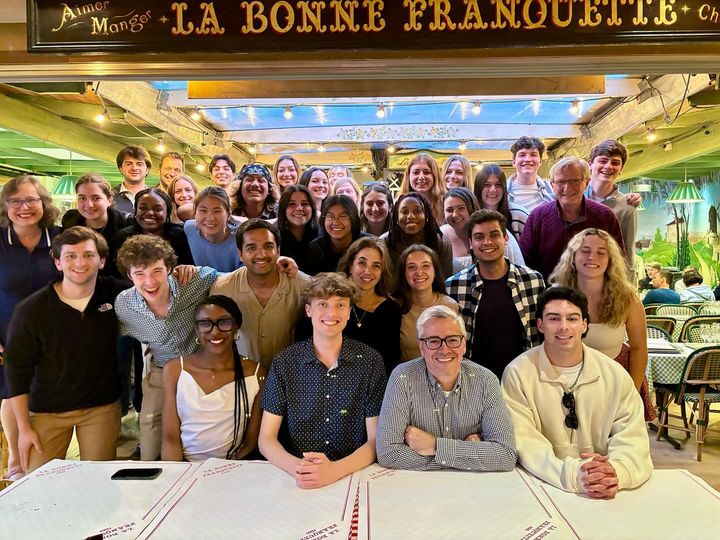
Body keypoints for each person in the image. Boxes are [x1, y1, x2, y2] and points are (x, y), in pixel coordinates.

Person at [502, 287, 653, 497]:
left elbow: (633, 437)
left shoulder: (614, 375)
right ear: (540, 325)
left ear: (584, 324)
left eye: (572, 319)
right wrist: (574, 475)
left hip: (605, 489)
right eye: (554, 318)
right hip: (541, 486)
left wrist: (615, 471)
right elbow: (524, 441)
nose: (563, 326)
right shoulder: (518, 374)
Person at [4, 227, 126, 473]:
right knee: (40, 483)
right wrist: (23, 429)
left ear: (102, 261)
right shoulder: (31, 310)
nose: (80, 263)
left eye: (88, 255)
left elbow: (152, 285)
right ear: (57, 262)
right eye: (70, 256)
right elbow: (16, 370)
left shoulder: (117, 294)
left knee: (98, 480)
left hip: (101, 407)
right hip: (47, 410)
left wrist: (184, 272)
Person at [258, 273, 386, 489]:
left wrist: (334, 471)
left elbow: (375, 441)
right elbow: (266, 439)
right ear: (309, 310)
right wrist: (301, 469)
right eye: (323, 304)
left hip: (352, 473)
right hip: (296, 475)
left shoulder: (370, 361)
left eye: (340, 305)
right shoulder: (285, 362)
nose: (331, 313)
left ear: (349, 312)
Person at [114, 235, 220, 460]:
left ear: (169, 268)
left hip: (201, 365)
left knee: (207, 429)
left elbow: (238, 279)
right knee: (151, 426)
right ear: (129, 276)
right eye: (139, 274)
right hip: (162, 367)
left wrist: (280, 262)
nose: (149, 281)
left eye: (157, 271)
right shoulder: (124, 305)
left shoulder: (192, 281)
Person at [376, 305, 516, 471]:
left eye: (452, 340)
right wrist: (466, 454)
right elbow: (388, 453)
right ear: (421, 347)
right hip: (419, 483)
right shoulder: (402, 378)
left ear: (464, 344)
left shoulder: (486, 381)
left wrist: (435, 446)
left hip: (472, 484)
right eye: (433, 341)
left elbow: (506, 455)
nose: (444, 350)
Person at [550, 228, 655, 420]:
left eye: (601, 252)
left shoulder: (628, 299)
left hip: (614, 383)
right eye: (585, 250)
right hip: (565, 383)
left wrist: (631, 391)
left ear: (610, 260)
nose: (592, 257)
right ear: (572, 257)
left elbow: (639, 348)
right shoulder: (555, 295)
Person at [0, 176, 61, 480]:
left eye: (32, 200)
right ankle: (16, 461)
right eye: (16, 201)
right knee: (12, 392)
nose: (24, 207)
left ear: (44, 203)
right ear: (5, 206)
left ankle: (46, 457)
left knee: (46, 394)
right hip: (7, 335)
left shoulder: (59, 238)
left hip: (53, 335)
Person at [162, 295, 266, 462]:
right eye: (205, 323)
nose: (215, 332)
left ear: (236, 327)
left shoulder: (256, 373)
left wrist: (223, 470)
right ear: (196, 329)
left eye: (224, 322)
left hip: (233, 465)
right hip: (184, 466)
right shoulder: (175, 369)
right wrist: (178, 472)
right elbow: (170, 438)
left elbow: (251, 441)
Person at [446, 210, 545, 379]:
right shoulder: (453, 286)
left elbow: (542, 334)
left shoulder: (533, 280)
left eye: (494, 235)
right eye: (479, 237)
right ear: (470, 243)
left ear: (506, 239)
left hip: (523, 377)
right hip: (473, 380)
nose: (487, 242)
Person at [211, 219, 311, 368]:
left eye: (268, 246)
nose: (261, 254)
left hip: (289, 373)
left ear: (278, 251)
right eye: (251, 248)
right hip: (240, 373)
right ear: (240, 254)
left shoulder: (305, 287)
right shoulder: (222, 289)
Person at [519, 157, 625, 281]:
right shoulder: (538, 216)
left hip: (594, 291)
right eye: (560, 182)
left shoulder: (605, 216)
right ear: (552, 185)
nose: (567, 187)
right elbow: (525, 263)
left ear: (586, 182)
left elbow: (617, 261)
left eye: (575, 181)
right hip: (549, 291)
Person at [337, 237, 402, 374]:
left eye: (376, 266)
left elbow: (390, 359)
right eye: (362, 263)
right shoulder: (334, 303)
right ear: (350, 266)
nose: (368, 271)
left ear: (382, 272)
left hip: (374, 382)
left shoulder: (391, 310)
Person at [395, 245, 459, 362]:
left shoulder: (449, 306)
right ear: (403, 273)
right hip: (407, 371)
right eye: (411, 267)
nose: (419, 272)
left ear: (435, 271)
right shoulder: (395, 306)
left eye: (426, 266)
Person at [61, 173, 133, 273]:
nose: (89, 205)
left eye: (96, 198)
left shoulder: (127, 224)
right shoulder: (70, 222)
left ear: (109, 200)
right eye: (82, 198)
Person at [441, 187, 524, 272]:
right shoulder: (441, 236)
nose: (455, 215)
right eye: (449, 210)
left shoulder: (496, 230)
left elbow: (517, 267)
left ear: (471, 207)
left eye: (461, 208)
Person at [112, 187, 194, 272]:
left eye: (157, 209)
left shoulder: (181, 236)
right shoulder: (123, 237)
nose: (150, 213)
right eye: (142, 208)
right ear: (135, 211)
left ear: (167, 213)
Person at [586, 140, 637, 269]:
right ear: (590, 164)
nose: (608, 166)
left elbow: (628, 250)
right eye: (603, 161)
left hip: (608, 274)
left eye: (615, 163)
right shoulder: (574, 198)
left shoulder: (627, 207)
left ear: (621, 169)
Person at [381, 192, 453, 280]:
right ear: (396, 217)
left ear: (426, 215)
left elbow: (445, 281)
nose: (410, 216)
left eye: (417, 211)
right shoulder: (384, 243)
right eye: (405, 212)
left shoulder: (442, 243)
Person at [306, 195, 369, 275]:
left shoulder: (367, 243)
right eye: (330, 216)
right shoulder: (316, 248)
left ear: (353, 218)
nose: (336, 222)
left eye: (342, 216)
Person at [183, 187, 241, 272]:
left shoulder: (241, 237)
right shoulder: (189, 228)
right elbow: (181, 211)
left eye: (217, 211)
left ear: (228, 214)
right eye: (203, 210)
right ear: (195, 213)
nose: (210, 217)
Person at [474, 163, 529, 240]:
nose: (493, 190)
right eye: (487, 185)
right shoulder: (469, 215)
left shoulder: (519, 214)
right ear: (478, 188)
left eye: (498, 185)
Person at [276, 185, 319, 273]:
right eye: (292, 204)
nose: (299, 208)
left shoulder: (322, 236)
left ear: (312, 208)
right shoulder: (274, 238)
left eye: (305, 204)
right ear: (283, 209)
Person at [506, 136, 553, 212]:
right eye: (522, 155)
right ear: (514, 162)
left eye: (533, 154)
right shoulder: (502, 190)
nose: (527, 159)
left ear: (540, 161)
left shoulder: (552, 189)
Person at [398, 153, 446, 224]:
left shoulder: (446, 204)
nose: (421, 177)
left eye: (426, 172)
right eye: (416, 172)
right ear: (408, 176)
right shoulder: (398, 204)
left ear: (435, 176)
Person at [113, 146, 151, 214]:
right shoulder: (109, 197)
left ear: (147, 170)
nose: (134, 168)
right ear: (121, 168)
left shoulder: (156, 197)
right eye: (128, 164)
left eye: (139, 164)